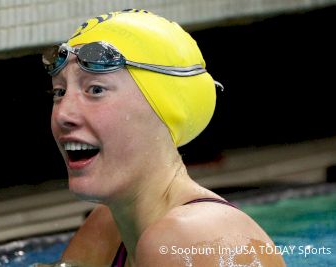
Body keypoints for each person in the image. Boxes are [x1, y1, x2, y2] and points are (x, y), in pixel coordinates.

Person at [42, 9, 286, 267]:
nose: (63, 114)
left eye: (96, 89)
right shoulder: (110, 224)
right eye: (60, 92)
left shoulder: (189, 237)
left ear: (163, 108)